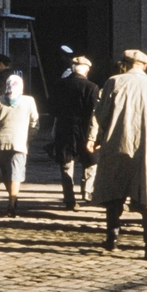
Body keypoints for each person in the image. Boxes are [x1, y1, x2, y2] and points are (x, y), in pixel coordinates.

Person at [88, 50, 147, 260]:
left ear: (126, 63)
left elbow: (101, 113)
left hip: (118, 142)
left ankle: (112, 238)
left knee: (114, 191)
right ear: (144, 65)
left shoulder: (114, 82)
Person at [50, 55, 98, 210]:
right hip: (84, 130)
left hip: (64, 129)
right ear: (87, 70)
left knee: (66, 166)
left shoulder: (58, 85)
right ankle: (87, 192)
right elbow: (94, 112)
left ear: (72, 68)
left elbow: (52, 110)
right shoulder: (91, 87)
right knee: (90, 162)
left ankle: (70, 199)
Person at [0, 73, 39, 216]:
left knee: (5, 174)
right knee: (16, 173)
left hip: (0, 142)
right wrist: (28, 138)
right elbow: (35, 123)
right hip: (20, 143)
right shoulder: (29, 101)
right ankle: (12, 202)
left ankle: (11, 199)